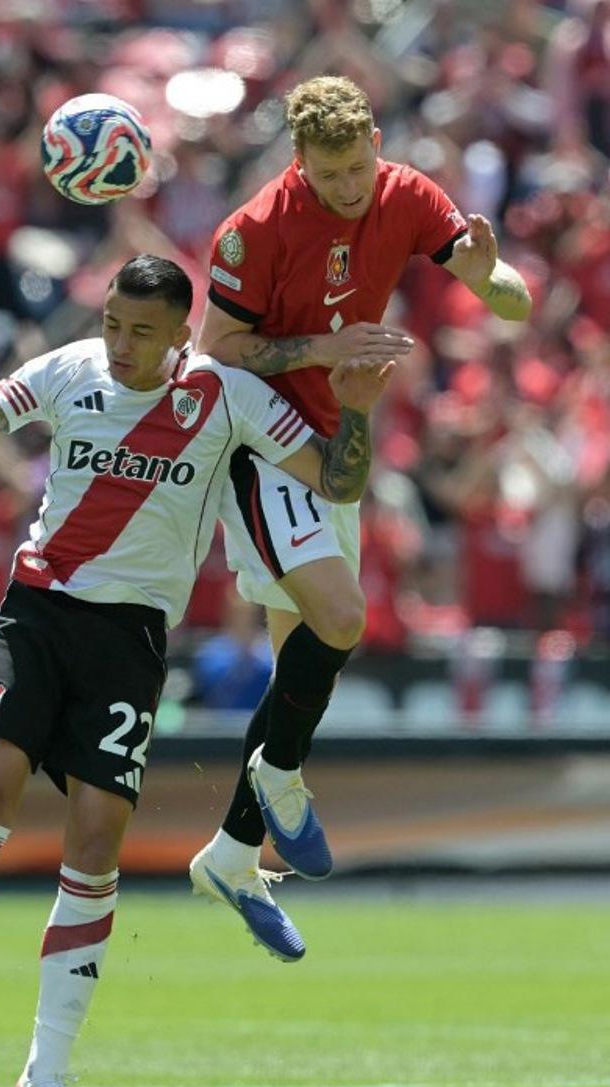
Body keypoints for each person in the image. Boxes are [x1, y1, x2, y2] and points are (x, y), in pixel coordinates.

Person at [0, 255, 394, 1087]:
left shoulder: (227, 395)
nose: (122, 346)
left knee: (95, 844)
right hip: (40, 610)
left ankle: (47, 1073)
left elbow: (337, 483)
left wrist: (360, 405)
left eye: (143, 332)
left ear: (184, 332)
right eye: (112, 324)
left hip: (133, 640)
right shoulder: (67, 370)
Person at [189, 75, 532, 956]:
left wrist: (495, 282)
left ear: (377, 140)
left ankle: (231, 854)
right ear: (297, 160)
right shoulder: (256, 229)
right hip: (261, 441)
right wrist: (323, 348)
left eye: (359, 167)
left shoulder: (407, 194)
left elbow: (506, 295)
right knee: (342, 621)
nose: (349, 188)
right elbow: (214, 354)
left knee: (295, 672)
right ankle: (285, 780)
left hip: (336, 433)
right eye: (330, 174)